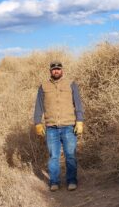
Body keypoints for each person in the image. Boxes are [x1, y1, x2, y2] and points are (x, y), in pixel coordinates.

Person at [33, 61, 84, 192]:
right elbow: (39, 106)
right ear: (50, 71)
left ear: (62, 70)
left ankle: (72, 181)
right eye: (54, 69)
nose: (56, 71)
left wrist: (80, 121)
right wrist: (37, 123)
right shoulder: (43, 86)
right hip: (51, 128)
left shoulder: (71, 84)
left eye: (58, 69)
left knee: (70, 155)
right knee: (53, 156)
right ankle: (54, 182)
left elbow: (78, 103)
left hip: (68, 126)